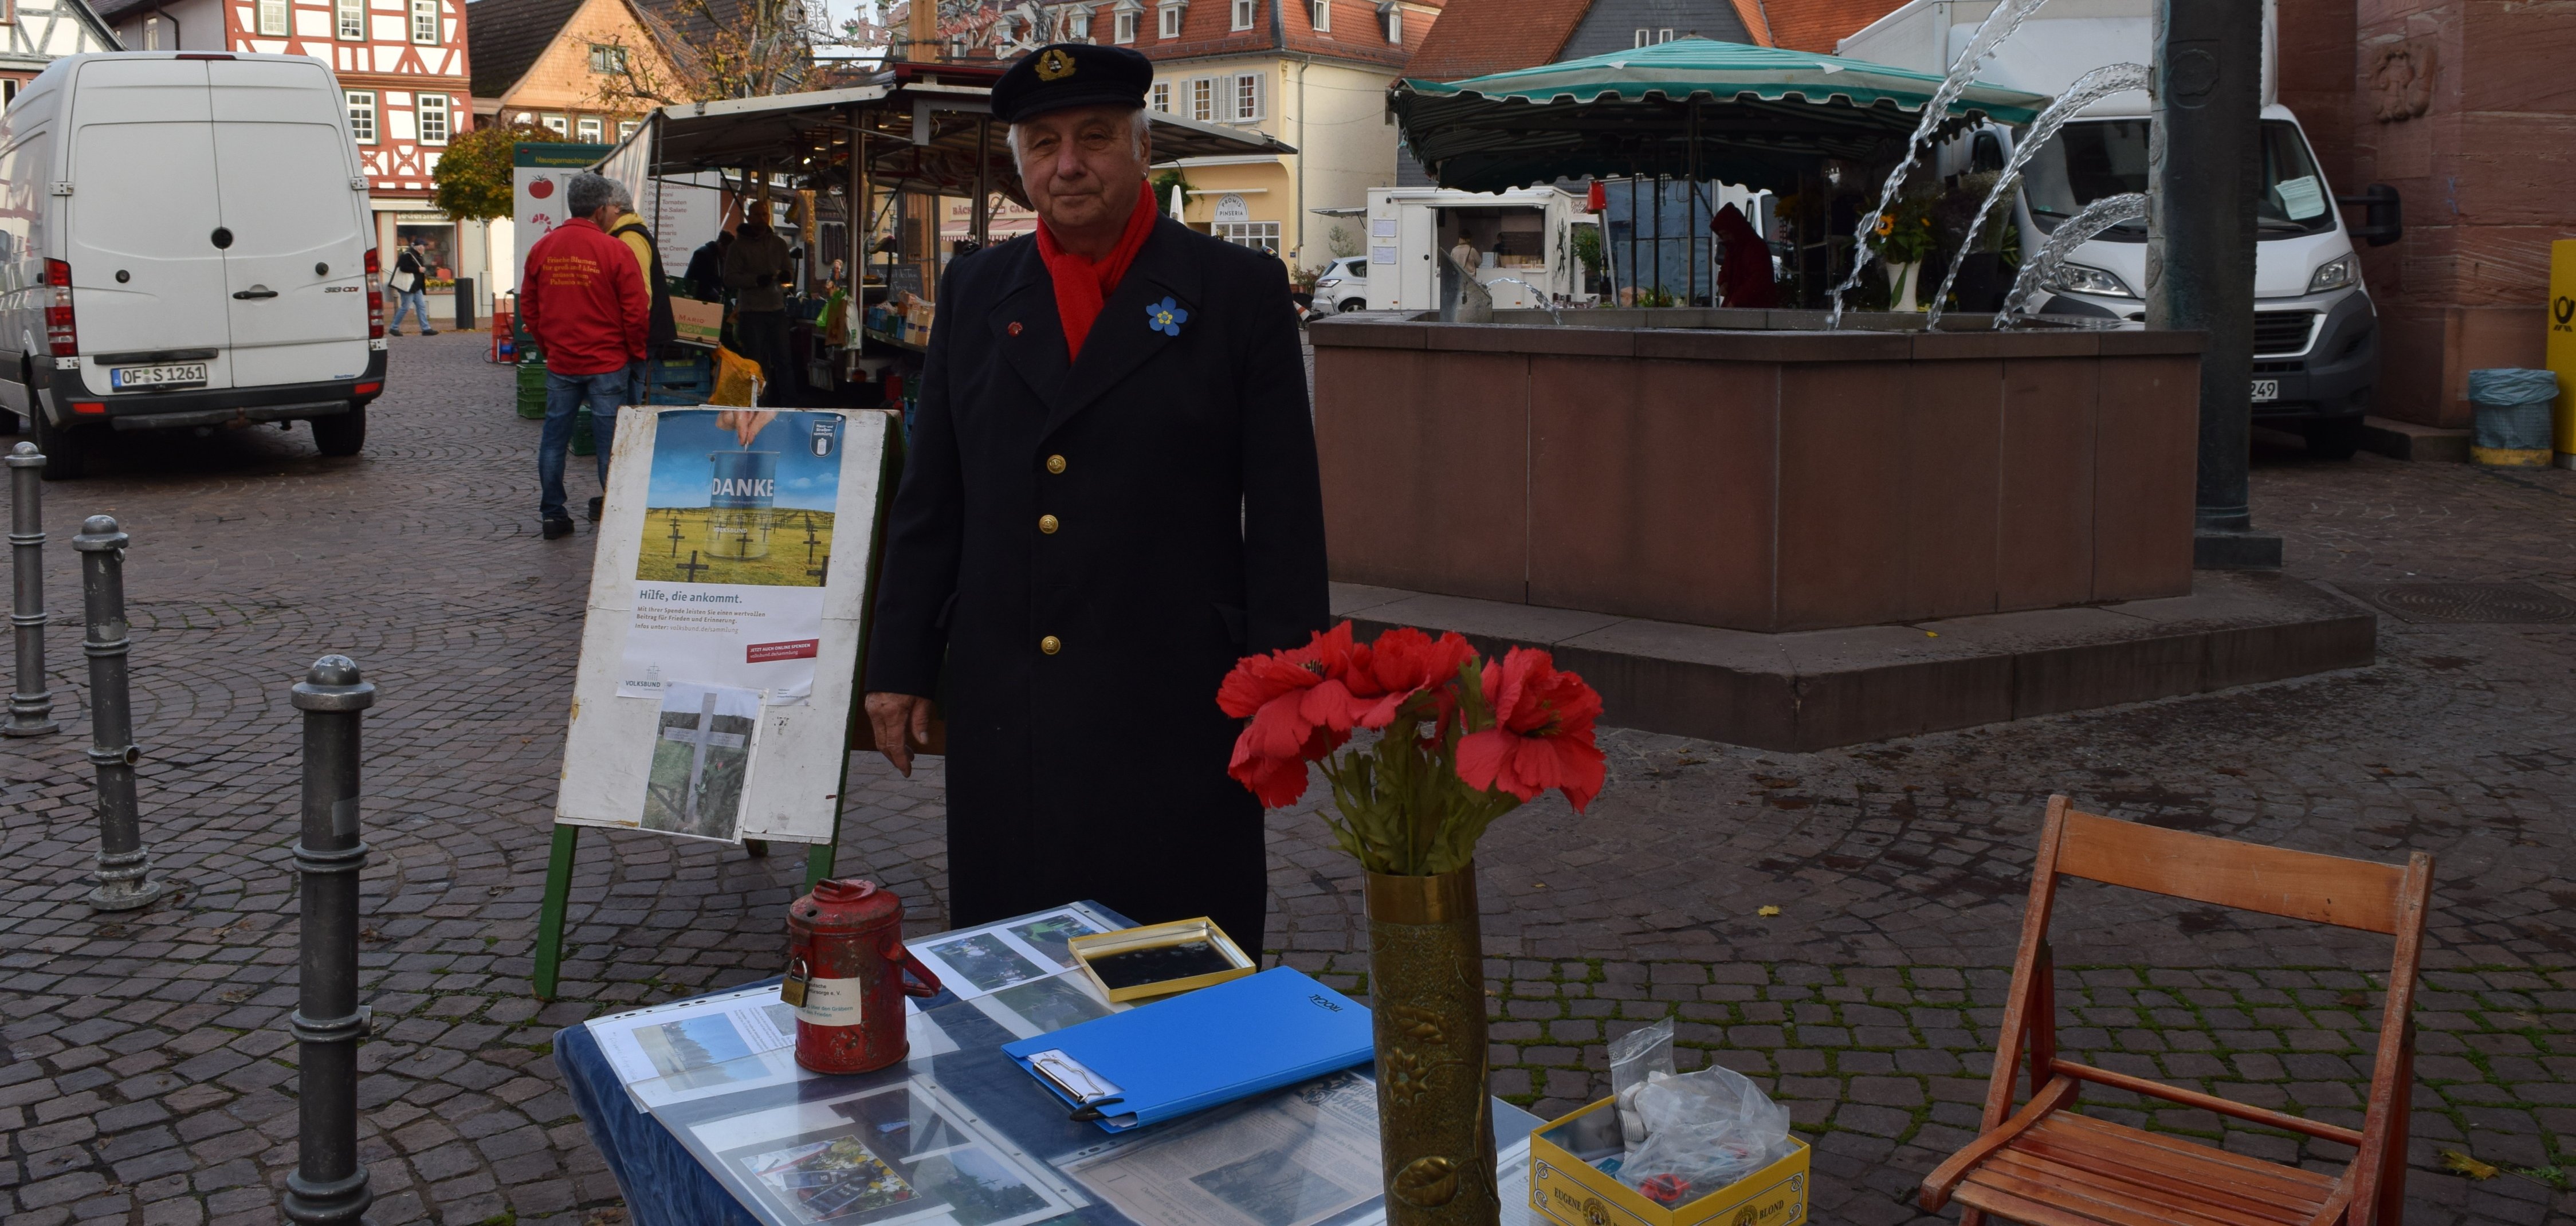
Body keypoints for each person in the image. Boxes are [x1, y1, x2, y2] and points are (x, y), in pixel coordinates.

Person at [863, 42, 1328, 952]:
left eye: (1096, 137)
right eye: (1043, 144)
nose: (1068, 164)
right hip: (1012, 702)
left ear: (1143, 149)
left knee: (1179, 964)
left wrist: (1290, 683)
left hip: (1176, 699)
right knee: (1017, 966)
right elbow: (933, 497)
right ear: (1021, 166)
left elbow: (1285, 511)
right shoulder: (977, 289)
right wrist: (900, 662)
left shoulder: (1236, 291)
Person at [519, 172, 648, 540]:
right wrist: (634, 352)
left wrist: (549, 346)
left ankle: (553, 514)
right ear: (602, 209)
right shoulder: (616, 250)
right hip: (608, 362)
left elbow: (530, 308)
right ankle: (615, 514)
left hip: (562, 362)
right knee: (610, 443)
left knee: (554, 440)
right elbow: (636, 312)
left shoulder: (543, 248)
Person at [600, 186, 678, 522]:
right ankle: (628, 488)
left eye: (602, 208)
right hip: (642, 337)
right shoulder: (628, 234)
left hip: (639, 337)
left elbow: (640, 297)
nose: (598, 215)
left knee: (629, 412)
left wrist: (632, 343)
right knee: (631, 408)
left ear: (615, 208)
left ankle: (628, 490)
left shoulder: (629, 238)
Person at [723, 197, 795, 400]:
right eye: (757, 215)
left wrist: (786, 276)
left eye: (765, 214)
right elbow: (729, 278)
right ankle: (755, 403)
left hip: (777, 310)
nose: (762, 218)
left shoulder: (779, 244)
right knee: (754, 363)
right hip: (752, 312)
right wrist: (755, 280)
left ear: (769, 216)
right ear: (749, 217)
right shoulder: (737, 247)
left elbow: (789, 270)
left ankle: (790, 404)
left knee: (784, 360)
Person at [1712, 202, 1778, 309]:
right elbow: (1725, 269)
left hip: (1755, 309)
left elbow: (1758, 280)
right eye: (1722, 235)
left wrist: (1735, 301)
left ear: (1735, 230)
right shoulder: (1733, 248)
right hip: (1738, 308)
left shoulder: (1755, 248)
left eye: (1726, 234)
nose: (1725, 238)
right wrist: (1723, 282)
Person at [388, 238, 437, 336]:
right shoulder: (407, 255)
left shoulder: (417, 256)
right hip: (408, 286)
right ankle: (394, 328)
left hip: (416, 286)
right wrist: (418, 270)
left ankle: (426, 329)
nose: (424, 248)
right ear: (418, 247)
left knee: (421, 306)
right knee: (405, 307)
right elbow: (403, 268)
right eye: (423, 246)